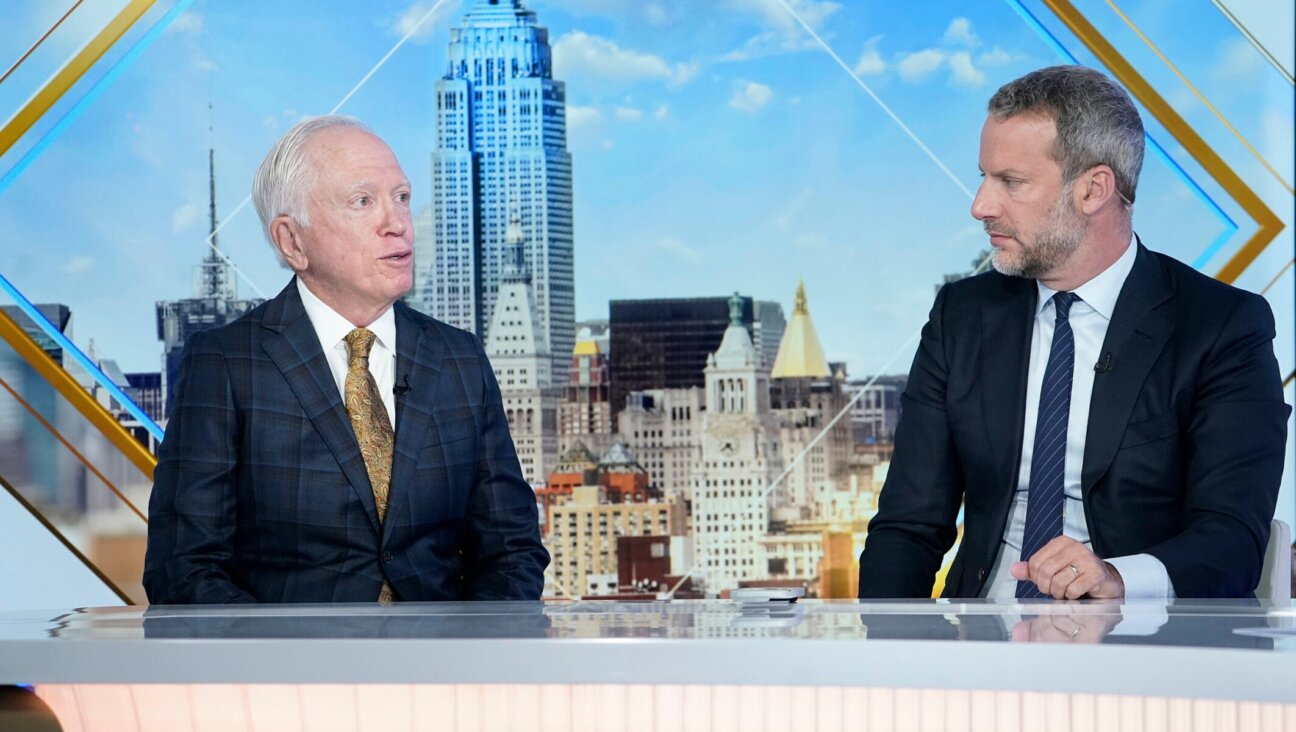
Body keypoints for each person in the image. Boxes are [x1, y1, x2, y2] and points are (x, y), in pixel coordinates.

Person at [857, 66, 1288, 600]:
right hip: (979, 648)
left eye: (1011, 182)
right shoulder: (960, 316)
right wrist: (886, 663)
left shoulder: (1222, 327)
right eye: (983, 177)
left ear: (1093, 190)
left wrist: (1116, 578)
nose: (980, 206)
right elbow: (907, 525)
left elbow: (1231, 540)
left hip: (1145, 650)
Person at [144, 116, 549, 603]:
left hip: (444, 668)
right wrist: (294, 672)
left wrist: (470, 664)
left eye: (401, 197)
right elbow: (183, 569)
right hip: (290, 671)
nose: (398, 223)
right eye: (363, 202)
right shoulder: (226, 366)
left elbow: (511, 551)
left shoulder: (458, 359)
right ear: (292, 241)